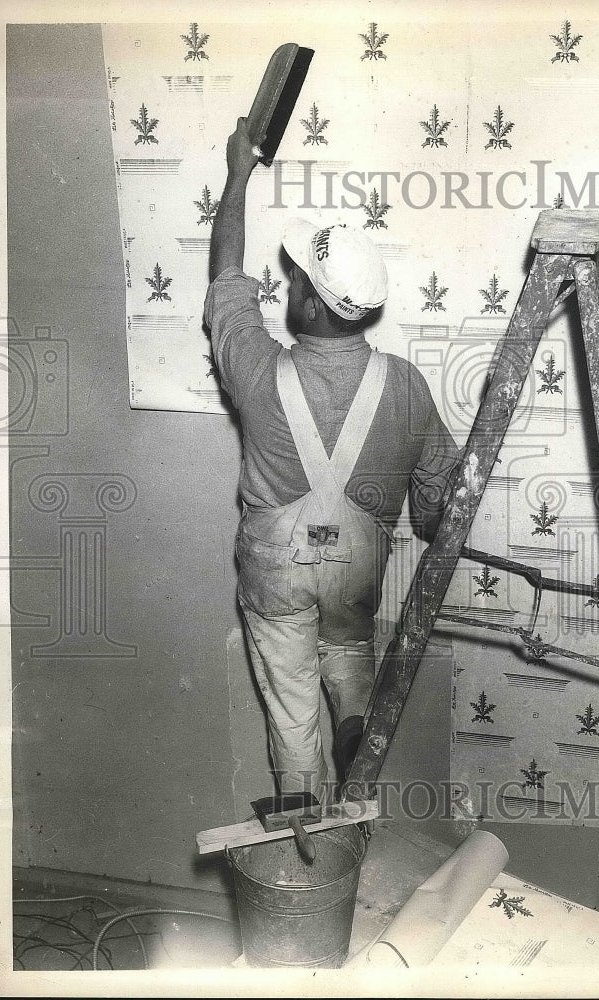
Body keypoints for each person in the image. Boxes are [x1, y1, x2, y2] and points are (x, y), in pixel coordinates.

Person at [203, 117, 460, 805]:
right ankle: (353, 720)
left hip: (278, 563)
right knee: (348, 650)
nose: (284, 290)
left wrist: (237, 174)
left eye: (293, 284)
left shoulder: (258, 370)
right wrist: (427, 514)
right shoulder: (405, 384)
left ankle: (296, 802)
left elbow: (226, 277)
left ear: (312, 304)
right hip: (355, 565)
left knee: (289, 696)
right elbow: (438, 505)